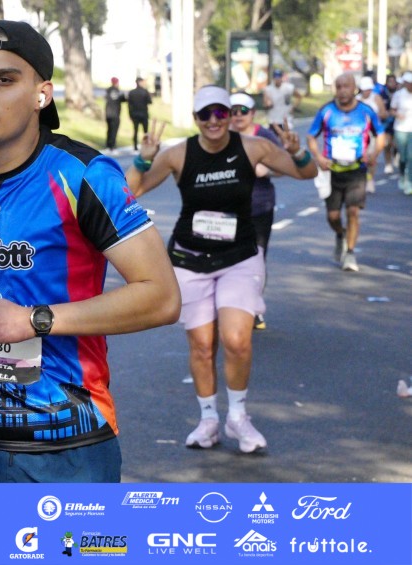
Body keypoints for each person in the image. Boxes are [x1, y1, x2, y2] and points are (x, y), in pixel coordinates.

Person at [0, 20, 180, 482]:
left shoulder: (83, 176)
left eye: (4, 80)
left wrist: (33, 320)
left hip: (62, 438)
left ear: (42, 95)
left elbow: (161, 296)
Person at [126, 85, 317, 453]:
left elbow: (306, 173)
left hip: (239, 257)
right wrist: (143, 160)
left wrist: (298, 151)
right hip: (190, 259)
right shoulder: (178, 154)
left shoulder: (253, 147)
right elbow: (131, 192)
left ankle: (238, 417)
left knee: (237, 340)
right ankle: (209, 420)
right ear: (196, 119)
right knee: (201, 346)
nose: (213, 121)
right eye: (205, 114)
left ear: (229, 115)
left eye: (220, 113)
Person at [307, 72, 385, 272]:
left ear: (354, 89)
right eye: (339, 87)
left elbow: (380, 134)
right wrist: (319, 157)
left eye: (346, 86)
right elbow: (311, 136)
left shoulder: (366, 111)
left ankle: (350, 253)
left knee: (353, 211)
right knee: (333, 216)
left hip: (356, 170)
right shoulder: (326, 111)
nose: (342, 91)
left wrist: (374, 153)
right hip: (332, 171)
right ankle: (340, 234)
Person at [228, 91, 283, 330]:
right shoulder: (220, 136)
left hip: (259, 207)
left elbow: (283, 168)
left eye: (243, 111)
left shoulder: (265, 137)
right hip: (226, 210)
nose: (238, 115)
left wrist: (265, 169)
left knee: (255, 260)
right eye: (233, 111)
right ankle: (230, 306)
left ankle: (253, 306)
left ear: (252, 113)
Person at [356, 76, 387, 193]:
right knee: (360, 157)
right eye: (365, 89)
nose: (367, 92)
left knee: (371, 157)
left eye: (369, 89)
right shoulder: (356, 100)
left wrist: (374, 117)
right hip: (359, 133)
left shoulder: (376, 98)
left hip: (373, 132)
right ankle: (361, 179)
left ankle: (370, 180)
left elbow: (384, 114)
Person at [390, 71, 412, 195]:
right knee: (403, 157)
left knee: (411, 156)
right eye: (408, 83)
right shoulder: (398, 95)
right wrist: (397, 114)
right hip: (401, 128)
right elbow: (392, 110)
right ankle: (402, 175)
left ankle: (409, 182)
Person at [127, 77, 153, 151]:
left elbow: (129, 105)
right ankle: (146, 146)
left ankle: (135, 146)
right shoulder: (145, 91)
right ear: (140, 82)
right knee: (145, 131)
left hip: (135, 114)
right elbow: (150, 102)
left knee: (135, 130)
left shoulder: (131, 92)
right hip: (144, 114)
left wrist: (130, 114)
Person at [382, 73, 400, 174]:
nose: (392, 83)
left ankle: (396, 154)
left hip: (398, 123)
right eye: (390, 81)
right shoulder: (382, 93)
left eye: (393, 81)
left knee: (396, 144)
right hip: (386, 124)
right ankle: (388, 164)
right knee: (387, 144)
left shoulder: (400, 93)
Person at [104, 77, 125, 152]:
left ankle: (108, 145)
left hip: (108, 113)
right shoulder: (118, 91)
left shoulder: (108, 90)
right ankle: (112, 146)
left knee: (109, 129)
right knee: (114, 130)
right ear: (116, 83)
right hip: (115, 113)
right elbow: (123, 99)